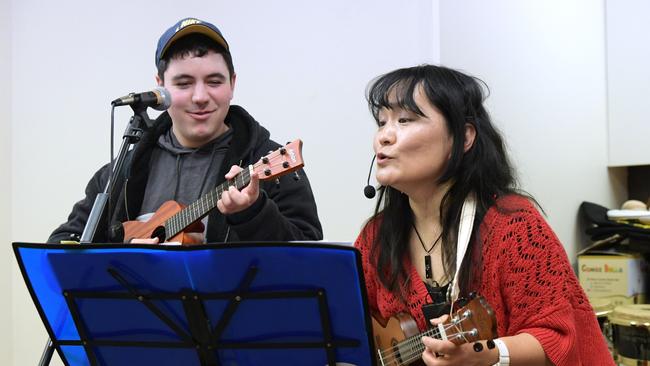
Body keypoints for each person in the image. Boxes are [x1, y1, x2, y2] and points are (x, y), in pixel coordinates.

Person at [355, 65, 613, 365]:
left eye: (405, 119)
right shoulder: (375, 236)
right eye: (381, 121)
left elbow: (557, 336)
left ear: (464, 137)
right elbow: (349, 330)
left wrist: (488, 355)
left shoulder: (514, 225)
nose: (384, 137)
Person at [48, 17, 322, 244]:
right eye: (183, 83)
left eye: (214, 81)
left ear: (232, 84)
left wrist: (254, 213)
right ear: (160, 86)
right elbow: (62, 243)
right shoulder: (124, 170)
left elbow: (309, 259)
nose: (200, 96)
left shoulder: (267, 160)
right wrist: (126, 258)